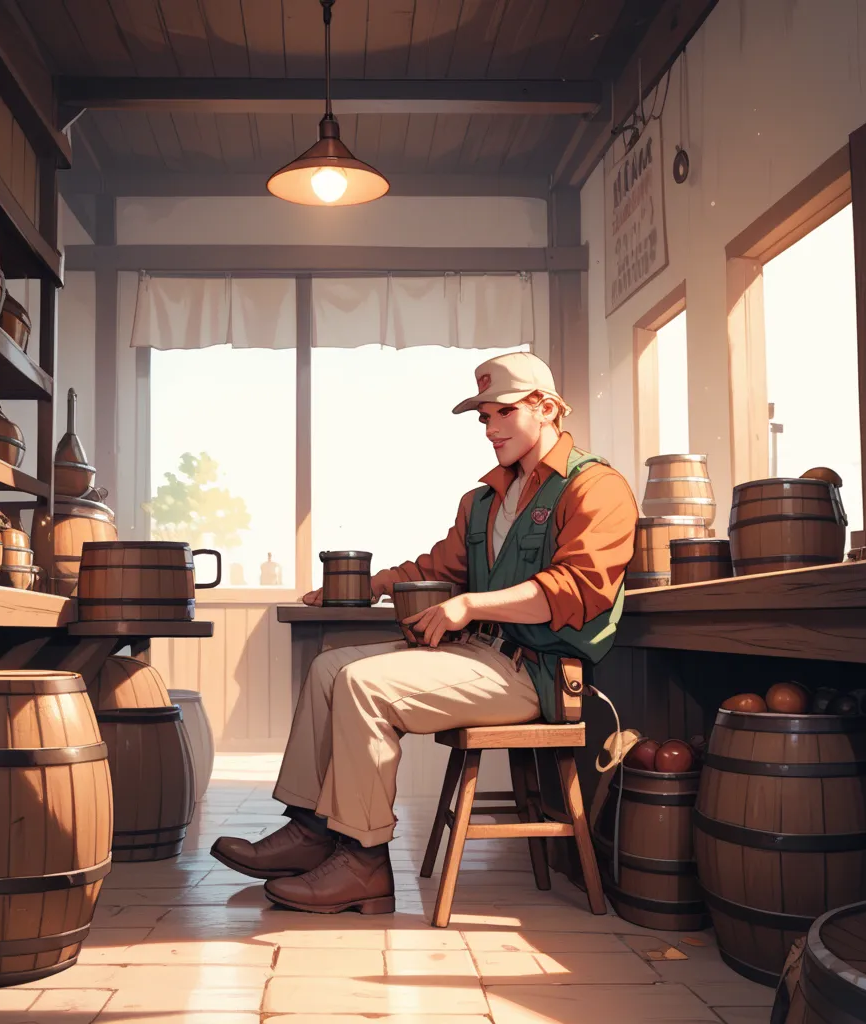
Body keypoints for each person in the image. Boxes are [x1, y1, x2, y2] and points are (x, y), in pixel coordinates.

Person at [211, 352, 638, 916]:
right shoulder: (483, 501)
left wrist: (469, 606)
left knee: (364, 684)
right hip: (478, 657)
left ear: (548, 408)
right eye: (483, 417)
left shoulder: (596, 487)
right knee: (327, 668)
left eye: (503, 412)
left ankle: (363, 863)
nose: (490, 429)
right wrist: (366, 585)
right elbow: (439, 568)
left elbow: (576, 589)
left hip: (536, 673)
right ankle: (313, 830)